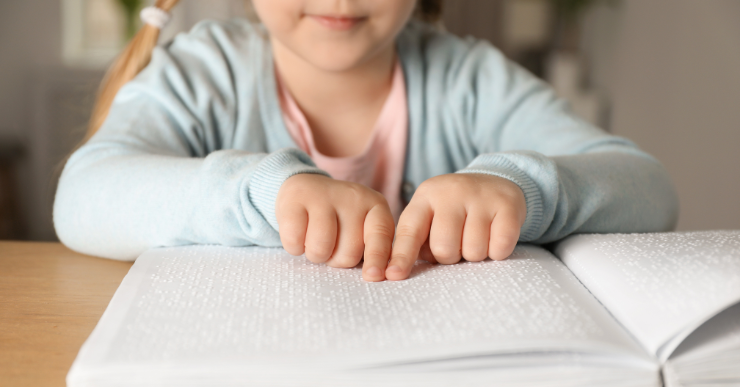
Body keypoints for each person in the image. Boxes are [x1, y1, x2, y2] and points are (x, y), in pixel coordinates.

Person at [53, 0, 678, 282]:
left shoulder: (469, 80)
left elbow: (646, 186)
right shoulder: (201, 74)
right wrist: (263, 193)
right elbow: (82, 195)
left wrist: (521, 188)